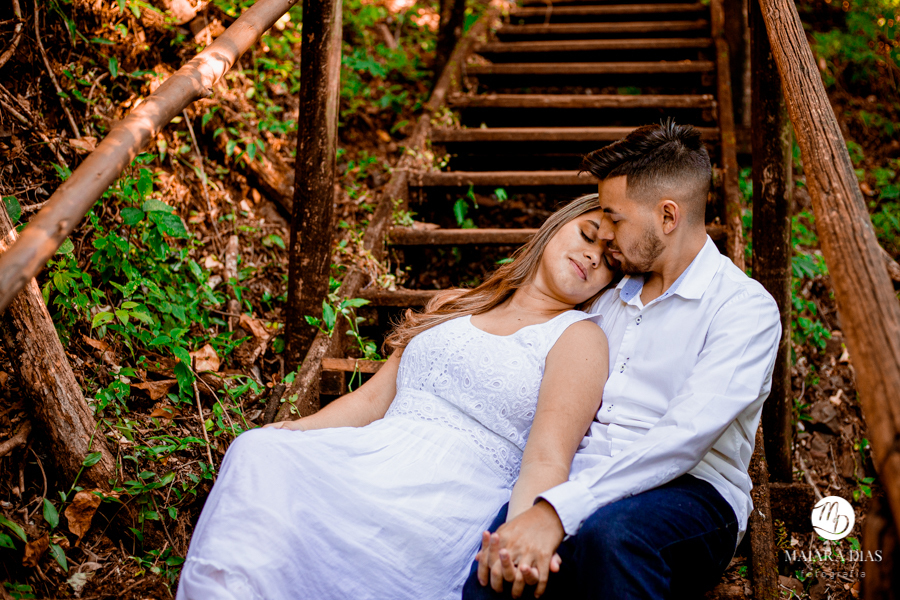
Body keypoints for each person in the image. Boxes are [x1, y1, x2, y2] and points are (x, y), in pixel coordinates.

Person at [175, 194, 616, 600]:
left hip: (449, 498)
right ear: (555, 227)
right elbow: (373, 400)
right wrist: (292, 430)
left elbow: (547, 460)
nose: (592, 256)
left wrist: (518, 535)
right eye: (586, 235)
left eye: (609, 261)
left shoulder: (579, 339)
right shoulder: (456, 303)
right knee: (259, 451)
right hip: (373, 457)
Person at [465, 120, 782, 599]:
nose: (605, 233)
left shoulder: (744, 309)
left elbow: (683, 440)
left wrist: (557, 510)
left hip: (692, 492)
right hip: (580, 478)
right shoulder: (606, 300)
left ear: (668, 217)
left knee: (611, 539)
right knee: (499, 559)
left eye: (615, 217)